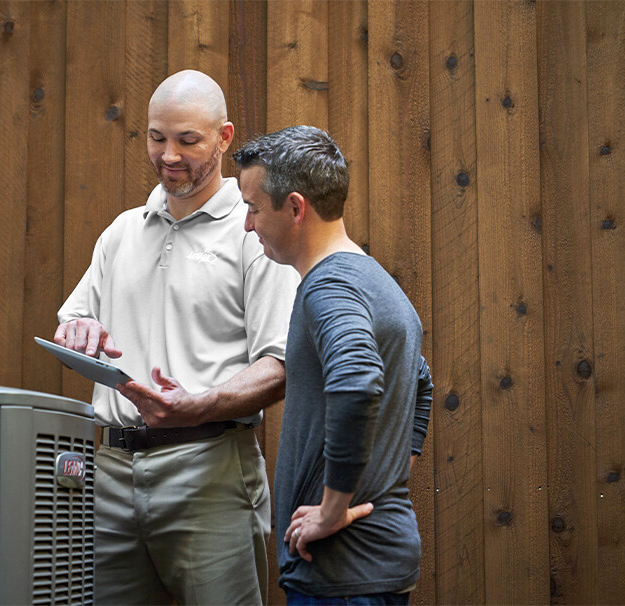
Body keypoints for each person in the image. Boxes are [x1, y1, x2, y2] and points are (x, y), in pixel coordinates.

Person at [54, 70, 298, 605]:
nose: (169, 155)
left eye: (188, 141)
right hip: (109, 474)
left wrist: (199, 405)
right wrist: (78, 332)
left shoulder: (253, 232)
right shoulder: (121, 231)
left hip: (209, 471)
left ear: (224, 137)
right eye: (156, 137)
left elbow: (281, 364)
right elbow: (72, 324)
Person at [234, 125, 434, 604]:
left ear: (295, 208)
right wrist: (381, 479)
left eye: (254, 208)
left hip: (342, 573)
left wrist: (331, 509)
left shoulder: (330, 286)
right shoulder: (372, 279)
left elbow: (357, 380)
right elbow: (421, 383)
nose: (247, 224)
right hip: (376, 563)